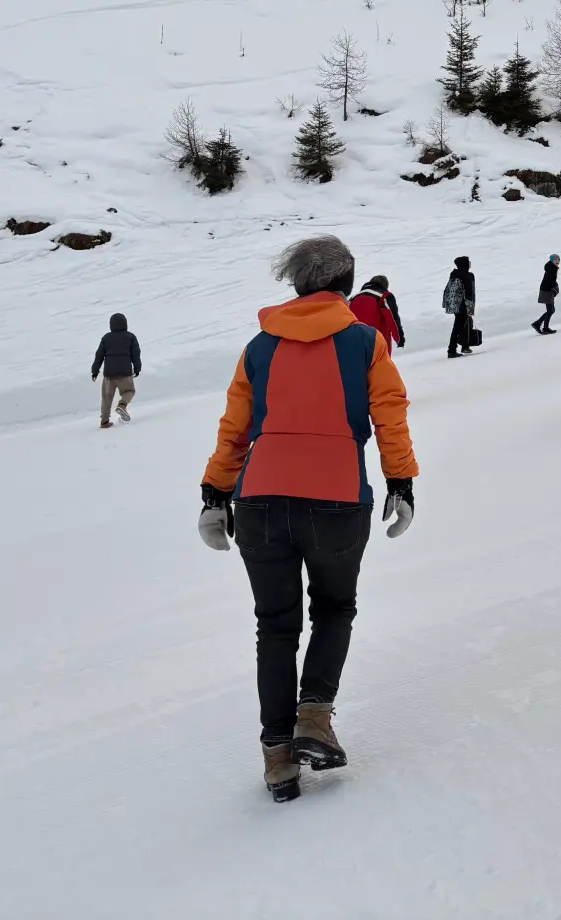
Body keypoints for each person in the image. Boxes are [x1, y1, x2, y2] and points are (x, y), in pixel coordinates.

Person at [196, 236, 418, 803]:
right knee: (334, 609)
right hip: (338, 500)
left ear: (296, 286)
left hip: (262, 502)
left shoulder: (259, 347)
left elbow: (235, 429)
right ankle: (313, 720)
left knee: (274, 626)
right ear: (344, 285)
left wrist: (215, 494)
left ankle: (277, 758)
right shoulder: (365, 342)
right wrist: (401, 482)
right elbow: (389, 416)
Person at [90, 312, 141, 428]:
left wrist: (95, 370)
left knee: (106, 397)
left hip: (109, 375)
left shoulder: (106, 338)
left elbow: (99, 355)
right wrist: (137, 367)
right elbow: (136, 354)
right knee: (129, 391)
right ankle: (122, 405)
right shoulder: (131, 337)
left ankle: (104, 421)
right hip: (125, 373)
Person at [349, 276, 405, 349]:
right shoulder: (384, 296)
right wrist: (399, 339)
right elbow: (393, 319)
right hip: (376, 344)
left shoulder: (353, 299)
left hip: (354, 344)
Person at [442, 256, 477, 357]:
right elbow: (469, 294)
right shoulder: (466, 276)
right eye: (468, 262)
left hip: (456, 306)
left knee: (462, 326)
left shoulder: (454, 274)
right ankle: (452, 350)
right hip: (464, 306)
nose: (469, 264)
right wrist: (470, 309)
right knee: (458, 327)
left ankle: (464, 346)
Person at [532, 255, 561, 335]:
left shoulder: (551, 267)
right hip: (547, 291)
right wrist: (554, 288)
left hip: (547, 290)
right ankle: (544, 327)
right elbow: (550, 281)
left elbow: (551, 280)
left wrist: (554, 287)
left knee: (551, 310)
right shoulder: (552, 269)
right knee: (550, 310)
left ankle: (538, 324)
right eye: (555, 259)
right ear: (551, 260)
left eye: (559, 259)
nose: (557, 261)